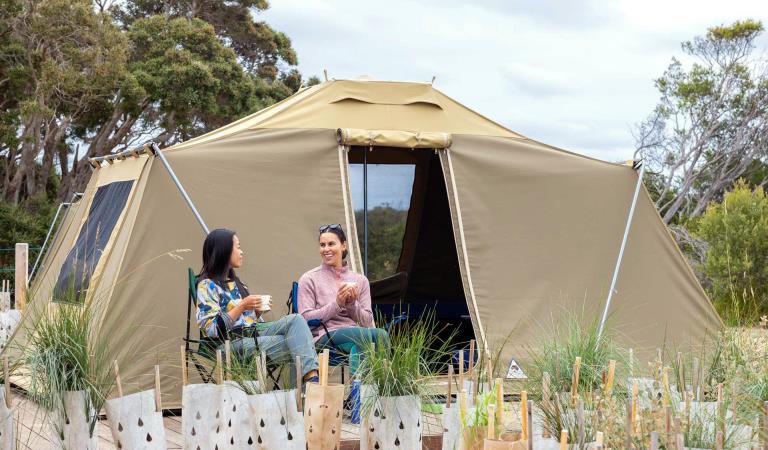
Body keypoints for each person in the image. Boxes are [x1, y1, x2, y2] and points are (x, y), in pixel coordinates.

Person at [196, 228, 319, 383]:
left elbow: (247, 321)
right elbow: (212, 329)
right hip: (229, 344)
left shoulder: (236, 283)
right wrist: (242, 306)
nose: (242, 252)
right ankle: (306, 393)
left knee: (296, 319)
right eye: (238, 247)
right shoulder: (207, 285)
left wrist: (257, 312)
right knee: (296, 342)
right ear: (224, 251)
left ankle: (311, 380)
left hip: (252, 334)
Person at [297, 224, 389, 376]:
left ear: (343, 245)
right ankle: (358, 394)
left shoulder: (360, 280)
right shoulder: (309, 279)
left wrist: (352, 304)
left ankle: (381, 388)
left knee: (381, 335)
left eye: (331, 244)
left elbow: (367, 321)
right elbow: (305, 319)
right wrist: (337, 304)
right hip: (323, 335)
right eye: (322, 245)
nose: (326, 249)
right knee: (363, 336)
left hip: (354, 332)